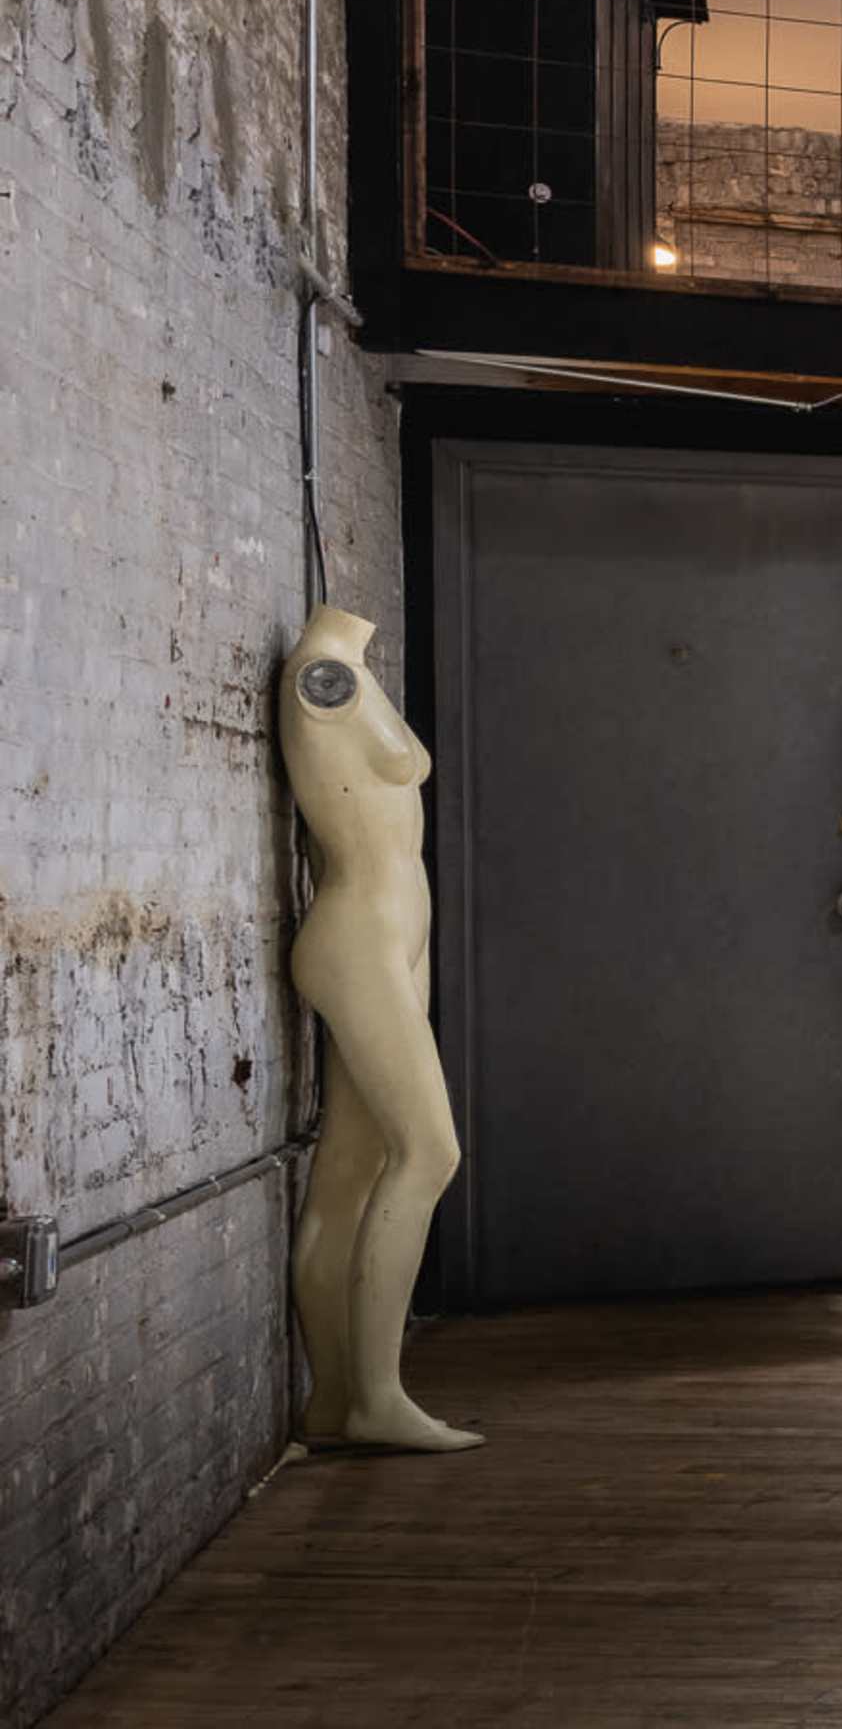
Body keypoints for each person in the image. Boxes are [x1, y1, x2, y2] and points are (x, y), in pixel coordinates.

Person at [279, 605, 480, 1452]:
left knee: (352, 1172)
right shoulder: (321, 674)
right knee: (430, 1153)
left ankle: (333, 1403)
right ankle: (379, 1397)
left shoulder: (350, 667)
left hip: (394, 937)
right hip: (359, 936)